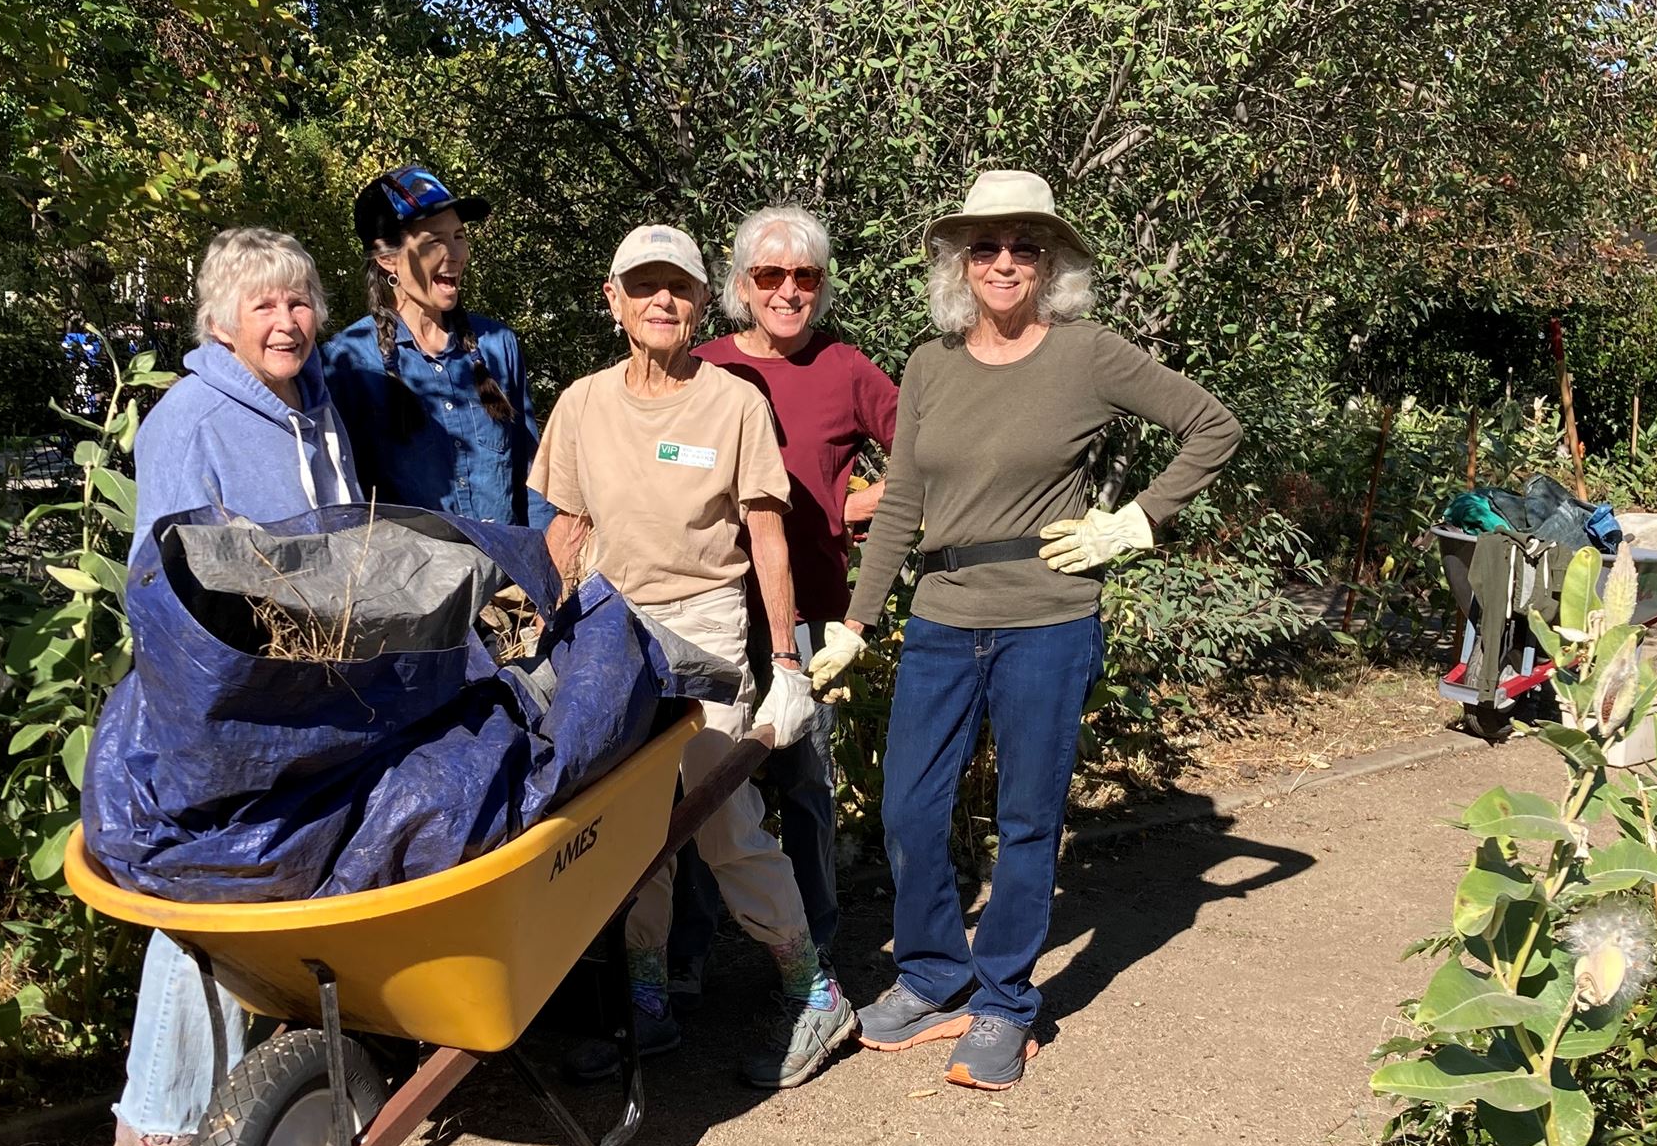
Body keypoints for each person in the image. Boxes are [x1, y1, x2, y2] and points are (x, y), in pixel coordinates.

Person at [811, 170, 1242, 1092]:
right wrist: (857, 618)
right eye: (986, 246)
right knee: (908, 811)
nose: (1004, 261)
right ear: (960, 263)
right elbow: (903, 509)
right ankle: (934, 979)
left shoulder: (1087, 354)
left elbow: (1213, 426)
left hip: (1048, 618)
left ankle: (1005, 1002)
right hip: (939, 616)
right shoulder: (930, 366)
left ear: (1052, 263)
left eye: (1025, 246)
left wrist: (1137, 520)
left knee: (1027, 818)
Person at [532, 223, 854, 1089]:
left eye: (678, 286)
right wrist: (540, 631)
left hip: (706, 625)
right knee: (625, 825)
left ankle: (812, 987)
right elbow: (566, 527)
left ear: (703, 300)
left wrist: (786, 662)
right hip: (609, 629)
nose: (662, 301)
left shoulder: (733, 401)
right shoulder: (583, 404)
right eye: (644, 287)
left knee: (721, 816)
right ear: (614, 301)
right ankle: (648, 1002)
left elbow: (766, 532)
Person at [106, 226, 361, 1146]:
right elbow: (166, 571)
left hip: (311, 682)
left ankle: (230, 1106)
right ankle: (163, 1120)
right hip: (225, 688)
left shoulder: (316, 408)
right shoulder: (189, 420)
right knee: (211, 885)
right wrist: (227, 675)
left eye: (298, 302)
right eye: (263, 306)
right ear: (220, 322)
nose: (286, 321)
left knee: (270, 875)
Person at [667, 204, 897, 992]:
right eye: (771, 274)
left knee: (802, 781)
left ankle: (812, 952)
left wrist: (855, 505)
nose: (789, 290)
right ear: (740, 285)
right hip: (712, 612)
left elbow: (927, 455)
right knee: (704, 784)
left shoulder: (847, 369)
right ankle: (686, 955)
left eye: (805, 276)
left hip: (811, 612)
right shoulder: (703, 365)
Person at [320, 164, 551, 527]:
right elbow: (347, 495)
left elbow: (533, 475)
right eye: (434, 241)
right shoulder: (348, 362)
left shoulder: (497, 346)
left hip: (507, 577)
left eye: (459, 236)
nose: (456, 254)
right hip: (412, 580)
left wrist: (545, 567)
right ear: (387, 257)